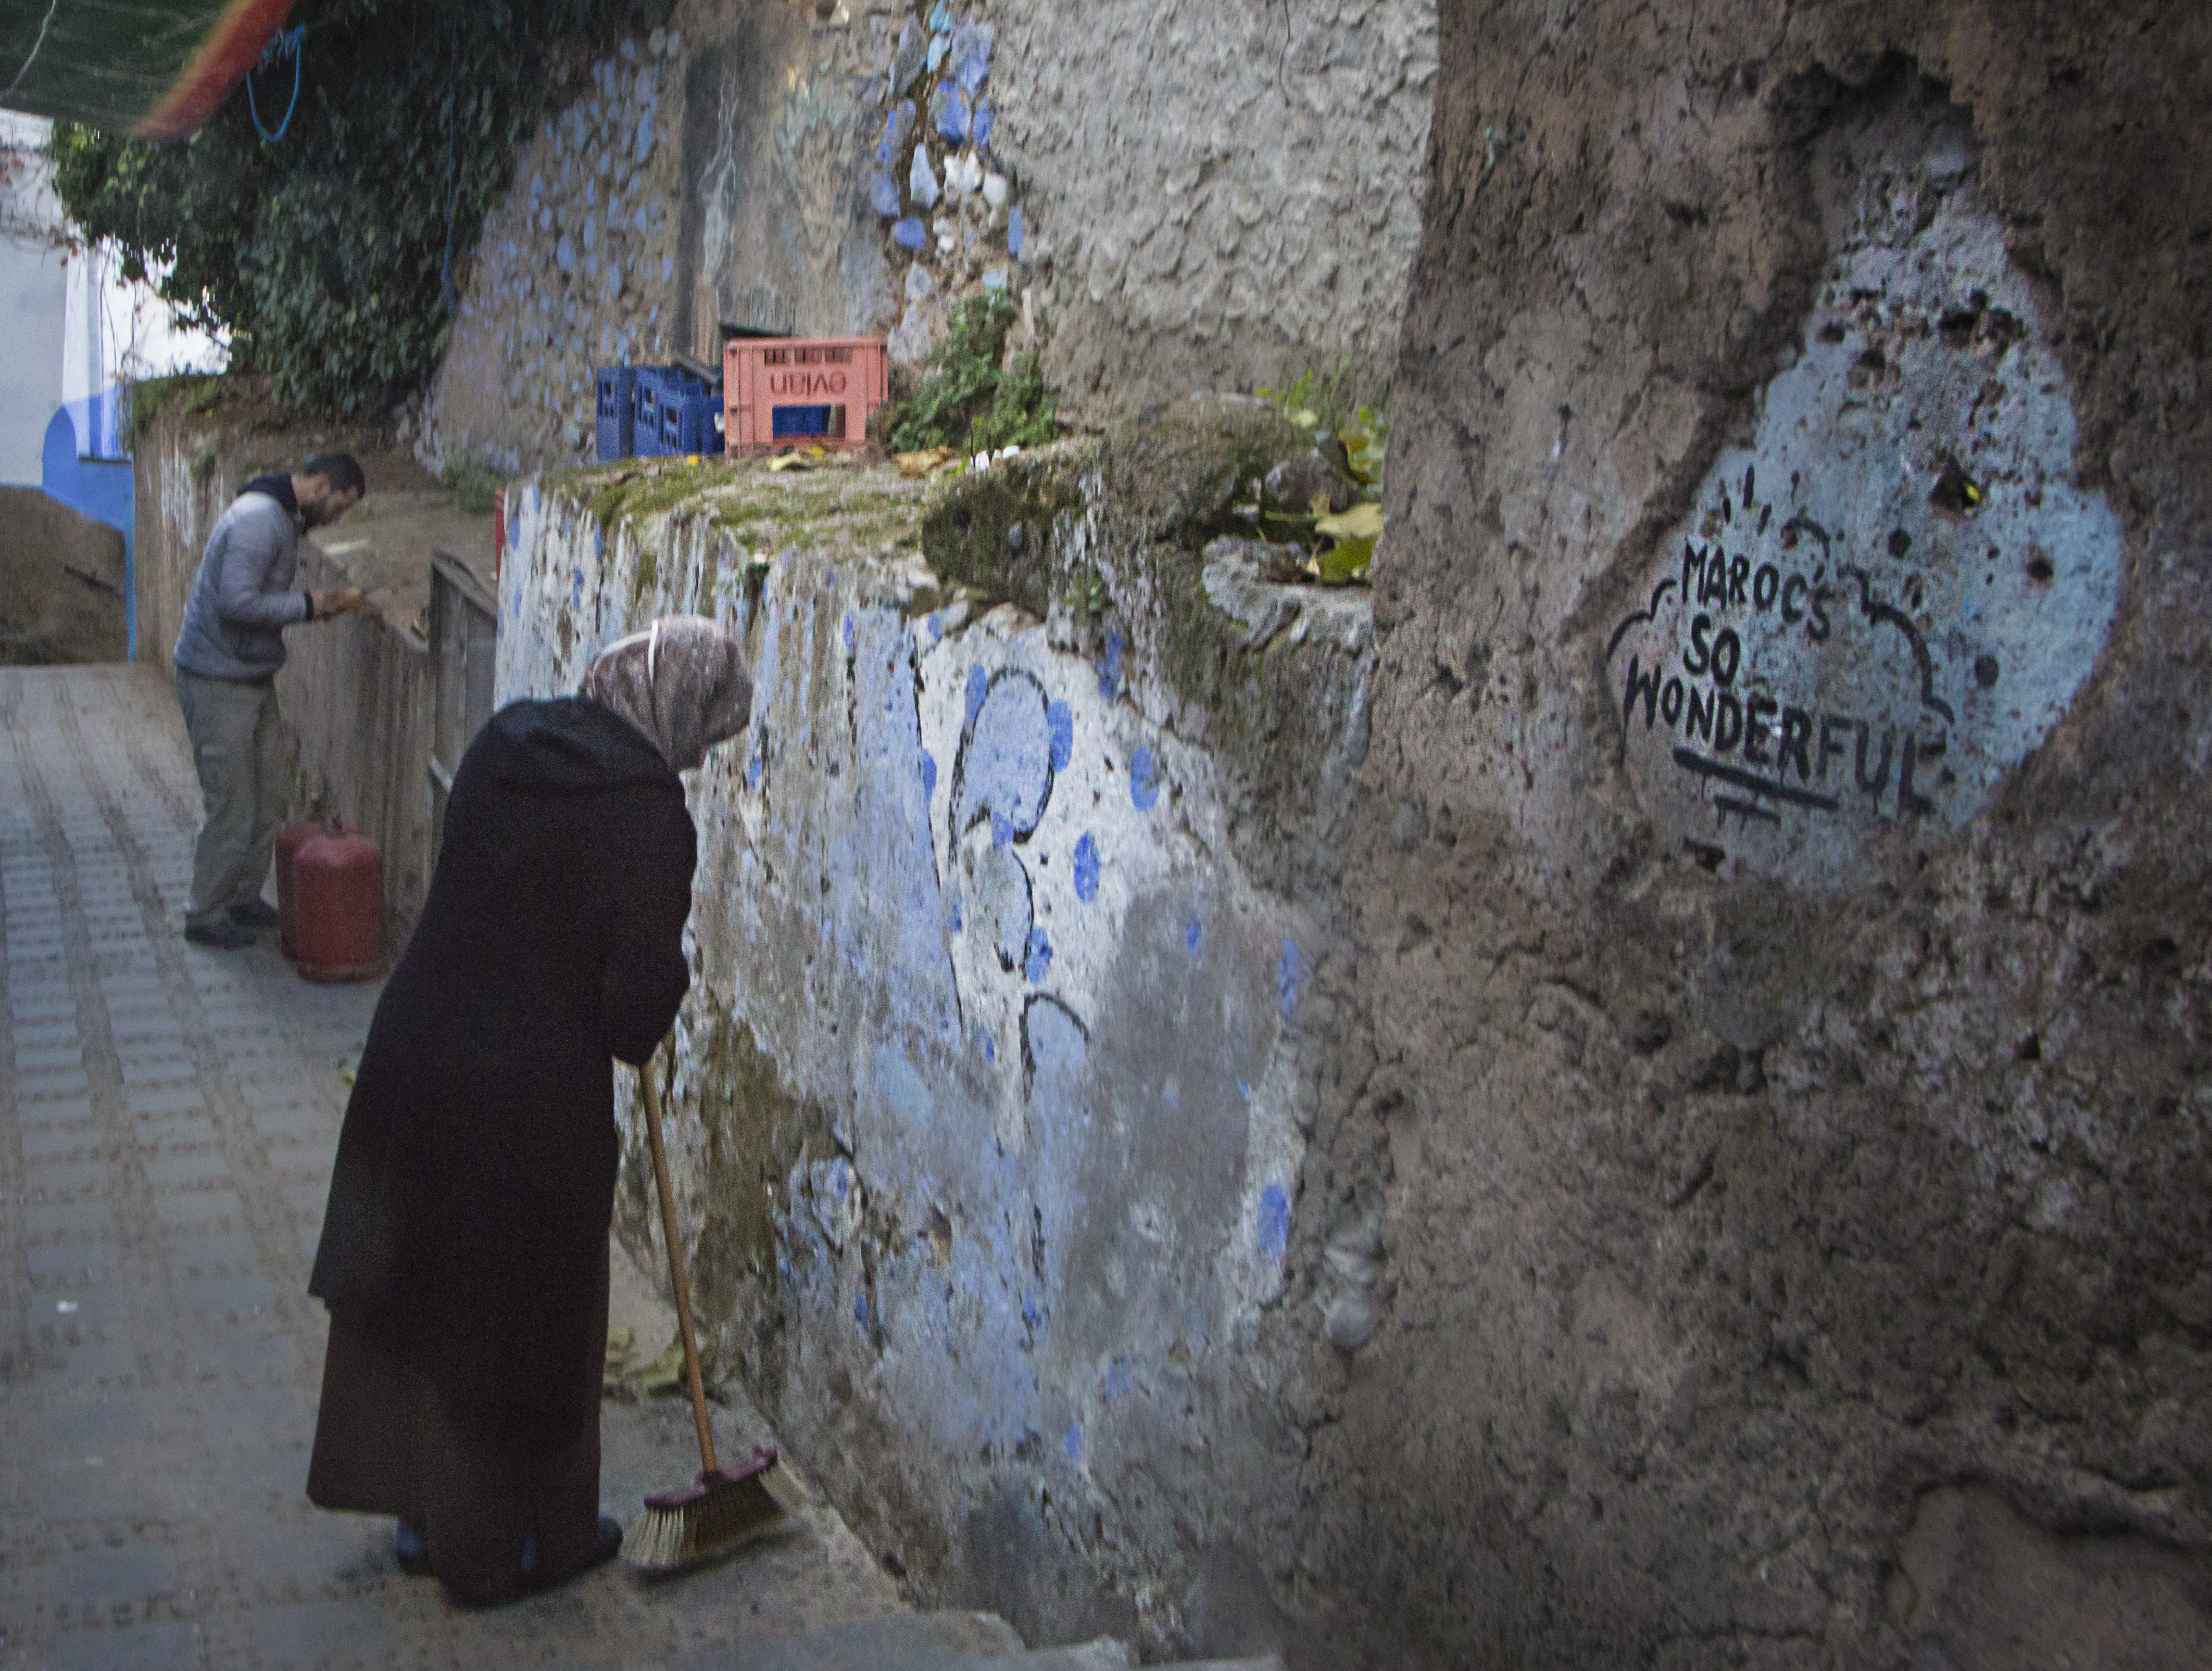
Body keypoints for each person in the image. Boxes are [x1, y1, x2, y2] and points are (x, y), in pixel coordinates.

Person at [305, 616, 752, 1605]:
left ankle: (423, 1519)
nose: (698, 759)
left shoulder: (508, 739)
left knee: (425, 1286)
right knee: (519, 1323)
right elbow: (631, 1021)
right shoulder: (652, 818)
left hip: (413, 1055)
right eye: (705, 736)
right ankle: (501, 1550)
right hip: (527, 1109)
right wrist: (666, 972)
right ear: (680, 711)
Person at [172, 453, 369, 950]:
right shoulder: (260, 520)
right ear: (320, 484)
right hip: (217, 679)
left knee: (268, 794)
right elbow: (235, 602)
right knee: (233, 804)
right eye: (338, 506)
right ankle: (205, 912)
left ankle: (240, 897)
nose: (336, 519)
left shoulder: (279, 517)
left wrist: (310, 607)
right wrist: (307, 606)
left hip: (247, 675)